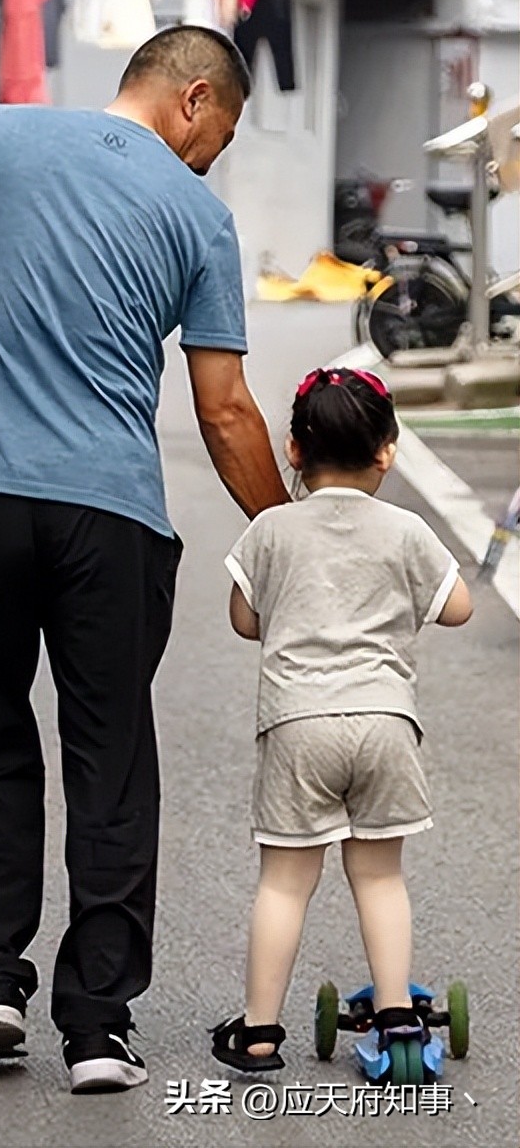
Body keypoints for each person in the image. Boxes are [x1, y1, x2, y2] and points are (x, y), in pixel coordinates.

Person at [0, 26, 290, 1092]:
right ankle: (95, 1024)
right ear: (192, 98)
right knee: (109, 755)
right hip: (111, 518)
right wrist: (287, 530)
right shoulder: (197, 214)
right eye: (217, 136)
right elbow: (224, 405)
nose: (206, 160)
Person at [211, 367, 471, 1072]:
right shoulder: (406, 530)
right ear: (386, 452)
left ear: (293, 450)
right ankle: (396, 1017)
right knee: (380, 875)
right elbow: (457, 608)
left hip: (298, 725)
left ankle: (260, 1034)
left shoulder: (271, 529)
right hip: (385, 722)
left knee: (286, 882)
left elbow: (245, 620)